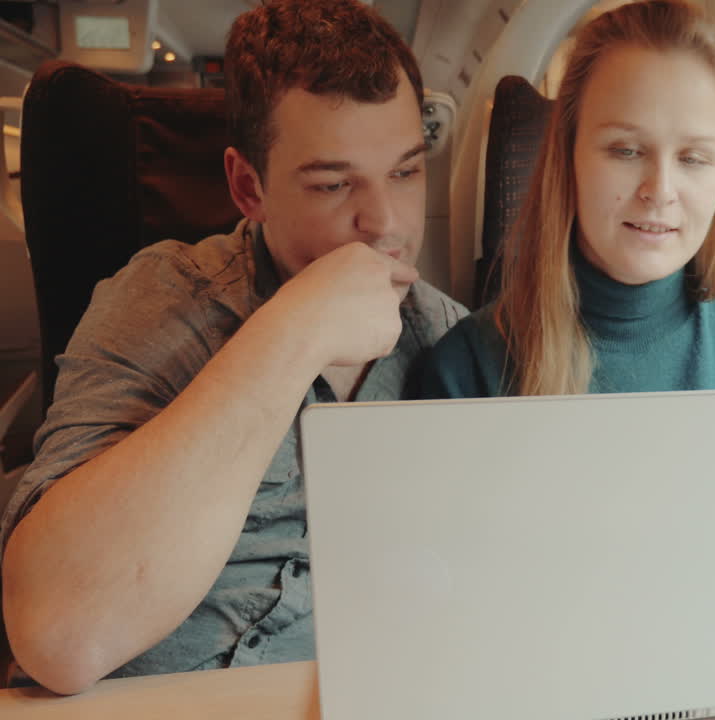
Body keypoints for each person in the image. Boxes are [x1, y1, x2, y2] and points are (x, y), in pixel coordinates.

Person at [0, 0, 465, 694]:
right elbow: (56, 633)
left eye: (404, 172)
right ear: (249, 187)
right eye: (334, 183)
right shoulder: (161, 300)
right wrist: (297, 331)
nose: (385, 223)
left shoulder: (453, 343)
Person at [422, 0, 715, 398]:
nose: (660, 190)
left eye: (693, 159)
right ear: (567, 158)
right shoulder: (468, 368)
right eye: (626, 151)